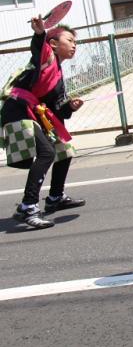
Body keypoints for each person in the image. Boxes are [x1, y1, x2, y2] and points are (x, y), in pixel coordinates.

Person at [1, 21, 85, 230]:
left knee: (63, 149)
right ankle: (28, 206)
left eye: (76, 42)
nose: (74, 45)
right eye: (70, 41)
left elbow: (59, 109)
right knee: (47, 153)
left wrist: (71, 106)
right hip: (17, 109)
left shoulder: (58, 74)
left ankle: (55, 197)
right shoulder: (46, 59)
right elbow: (39, 46)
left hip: (33, 113)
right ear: (54, 44)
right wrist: (40, 33)